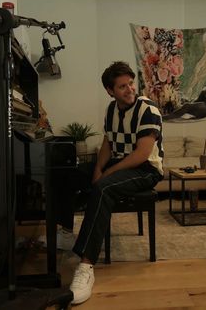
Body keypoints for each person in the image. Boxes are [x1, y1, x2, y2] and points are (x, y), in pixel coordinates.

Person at [69, 61, 164, 305]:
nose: (129, 89)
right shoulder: (111, 110)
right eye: (122, 86)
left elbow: (141, 155)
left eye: (131, 83)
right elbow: (108, 144)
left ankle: (86, 266)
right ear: (110, 91)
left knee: (103, 187)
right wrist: (98, 169)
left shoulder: (148, 111)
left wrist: (106, 173)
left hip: (146, 170)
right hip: (120, 163)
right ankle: (64, 231)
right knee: (71, 173)